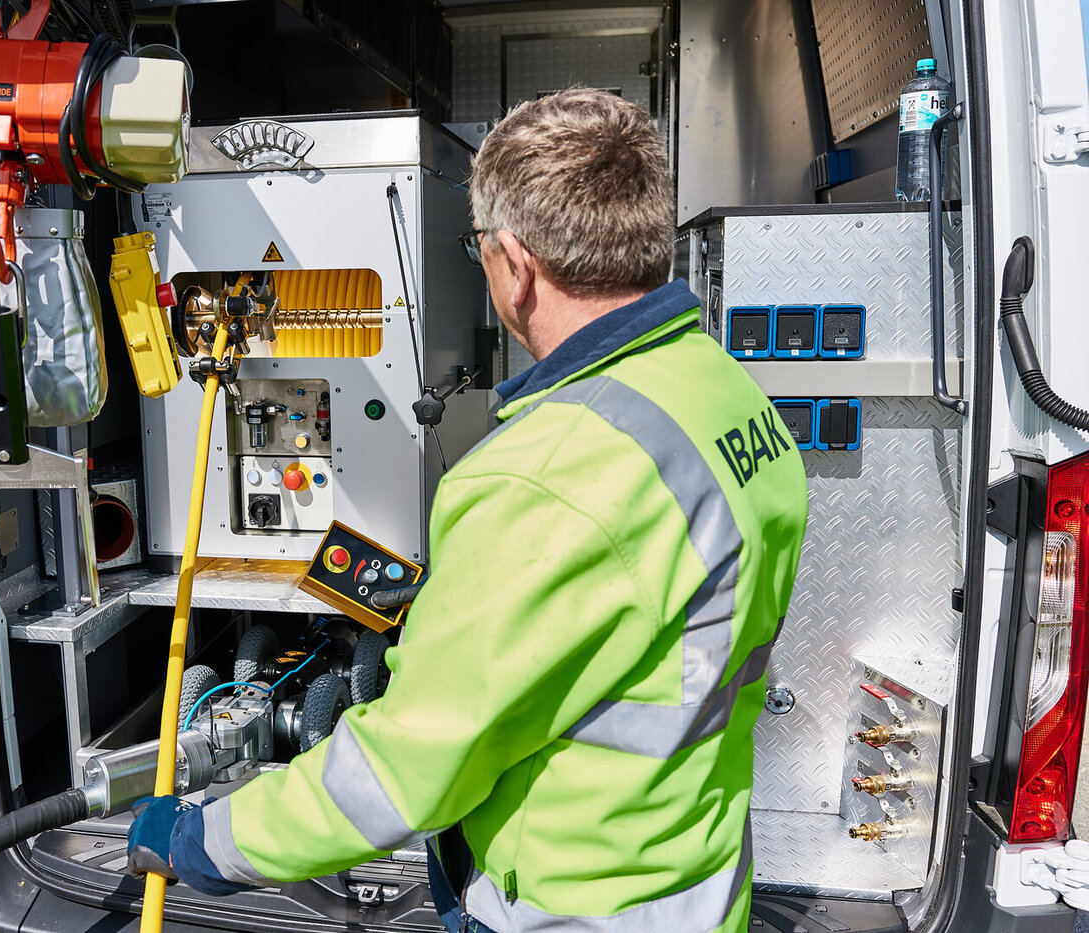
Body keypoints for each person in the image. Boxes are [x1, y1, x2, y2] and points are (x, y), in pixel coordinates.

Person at [128, 88, 809, 933]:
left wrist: (207, 840)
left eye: (477, 248)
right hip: (697, 887)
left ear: (515, 265)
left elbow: (403, 769)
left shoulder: (535, 479)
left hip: (571, 908)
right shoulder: (729, 397)